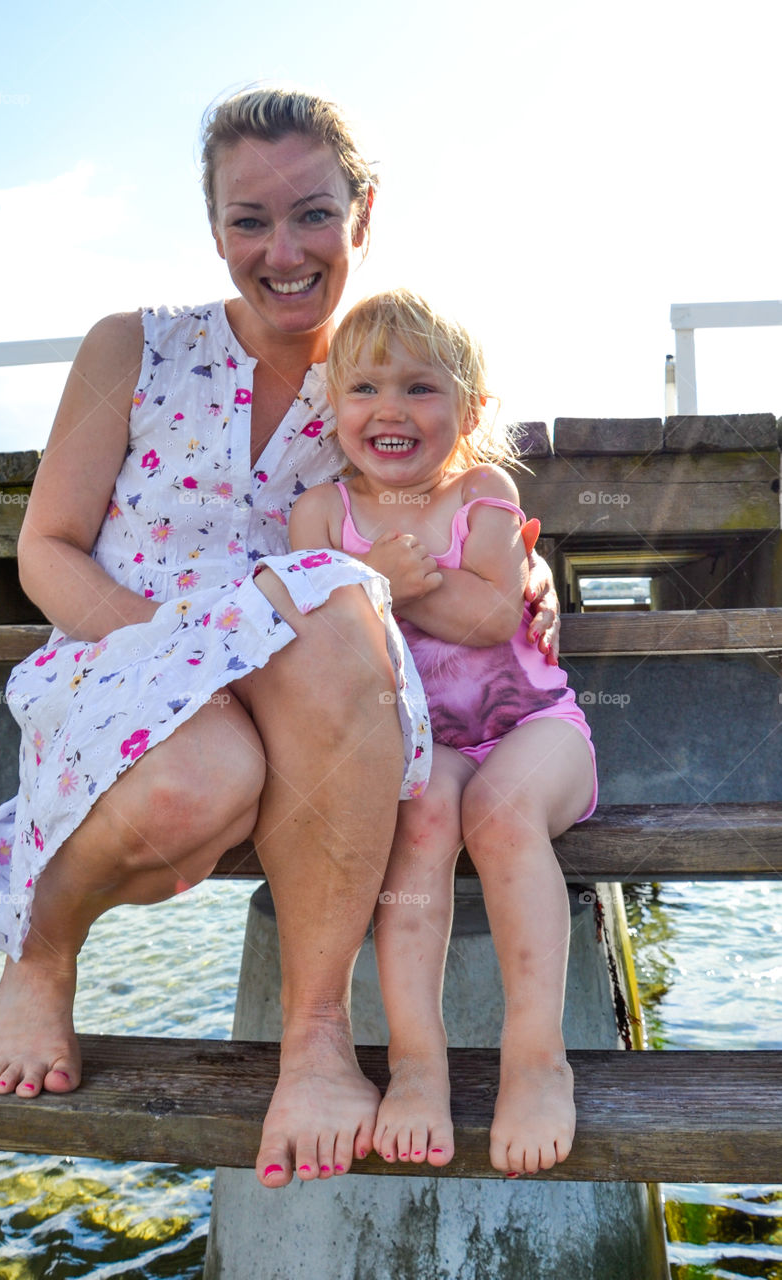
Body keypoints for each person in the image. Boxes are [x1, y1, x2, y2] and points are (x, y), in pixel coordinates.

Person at [0, 89, 559, 1190]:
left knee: (334, 606)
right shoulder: (133, 347)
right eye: (250, 220)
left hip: (315, 685)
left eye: (312, 215)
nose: (282, 251)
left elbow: (455, 494)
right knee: (202, 779)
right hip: (125, 655)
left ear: (362, 213)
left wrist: (524, 569)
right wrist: (174, 651)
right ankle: (41, 949)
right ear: (214, 228)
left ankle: (318, 1042)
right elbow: (46, 548)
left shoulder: (384, 373)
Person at [289, 289, 597, 1178]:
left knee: (499, 815)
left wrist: (395, 582)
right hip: (426, 747)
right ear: (333, 408)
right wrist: (368, 577)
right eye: (364, 389)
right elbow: (317, 645)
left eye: (420, 388)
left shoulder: (481, 492)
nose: (390, 409)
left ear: (468, 409)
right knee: (421, 821)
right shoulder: (319, 516)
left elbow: (492, 611)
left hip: (533, 728)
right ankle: (415, 1063)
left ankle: (535, 1057)